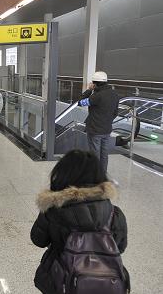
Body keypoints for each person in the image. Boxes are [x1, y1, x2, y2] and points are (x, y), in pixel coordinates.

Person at [31, 150, 129, 294]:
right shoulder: (115, 214)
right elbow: (120, 247)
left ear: (62, 175)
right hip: (106, 285)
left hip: (62, 281)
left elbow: (38, 239)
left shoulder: (53, 211)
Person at [77, 71, 120, 175]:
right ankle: (102, 174)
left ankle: (95, 175)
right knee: (104, 154)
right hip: (107, 129)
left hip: (95, 130)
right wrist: (107, 121)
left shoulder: (96, 96)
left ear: (95, 84)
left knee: (94, 154)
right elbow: (115, 112)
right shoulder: (114, 94)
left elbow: (80, 102)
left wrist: (89, 90)